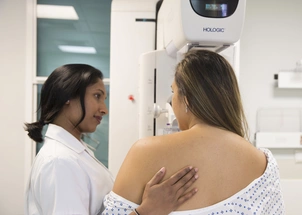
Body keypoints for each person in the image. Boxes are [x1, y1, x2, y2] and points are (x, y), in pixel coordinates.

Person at [103, 49, 286, 214]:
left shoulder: (145, 152)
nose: (171, 101)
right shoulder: (264, 164)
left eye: (173, 92)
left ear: (187, 99)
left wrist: (146, 212)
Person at [24, 64, 199, 215]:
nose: (104, 109)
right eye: (97, 96)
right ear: (67, 97)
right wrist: (148, 210)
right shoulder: (59, 161)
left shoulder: (72, 153)